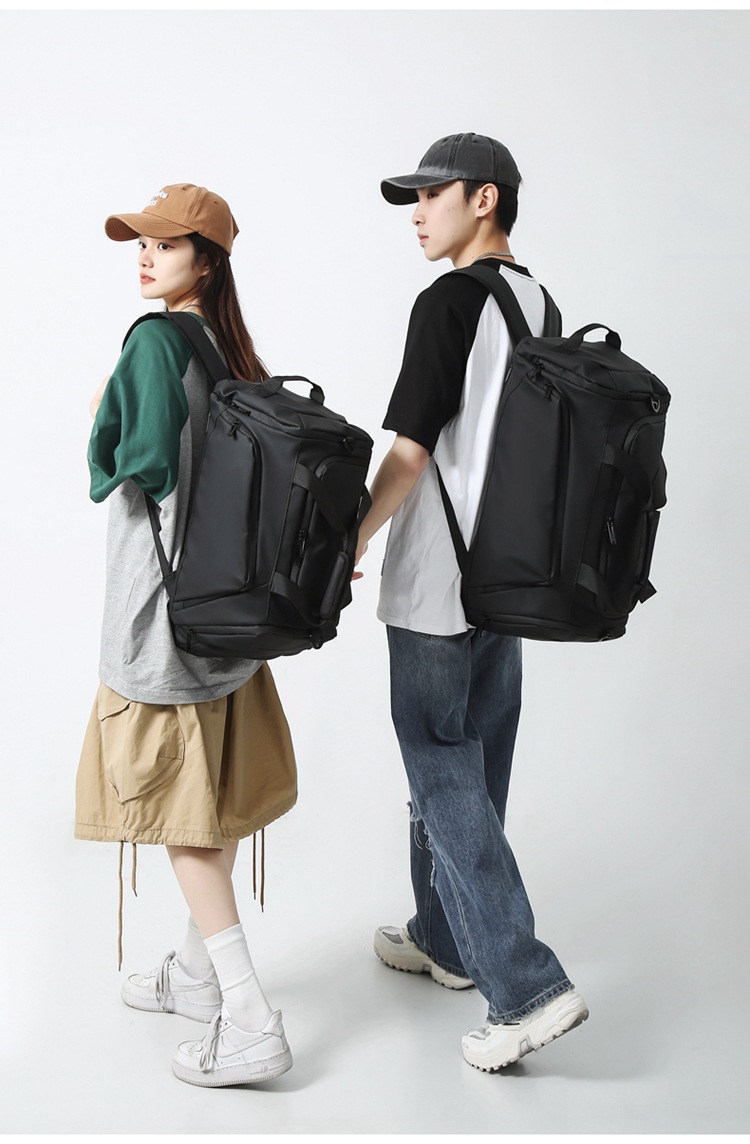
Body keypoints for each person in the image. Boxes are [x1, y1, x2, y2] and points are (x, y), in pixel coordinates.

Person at [355, 134, 589, 1072]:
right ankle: (446, 939)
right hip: (510, 577)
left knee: (440, 766)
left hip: (436, 576)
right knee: (478, 761)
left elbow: (411, 454)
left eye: (431, 195)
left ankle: (526, 987)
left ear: (483, 198)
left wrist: (350, 537)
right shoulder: (541, 302)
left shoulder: (448, 301)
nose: (417, 214)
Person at [76, 183, 297, 1087]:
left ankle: (249, 1017)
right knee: (208, 792)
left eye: (166, 244)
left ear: (206, 261)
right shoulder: (230, 349)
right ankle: (197, 977)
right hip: (227, 612)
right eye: (142, 240)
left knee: (179, 813)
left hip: (165, 611)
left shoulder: (156, 342)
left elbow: (134, 468)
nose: (145, 254)